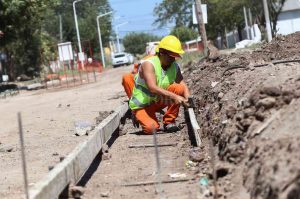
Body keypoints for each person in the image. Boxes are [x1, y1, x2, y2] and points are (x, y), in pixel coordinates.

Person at [128, 35, 190, 134]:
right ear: (161, 53)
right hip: (142, 104)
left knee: (179, 88)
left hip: (157, 101)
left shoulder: (174, 66)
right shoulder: (148, 64)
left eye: (175, 57)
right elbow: (152, 88)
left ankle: (169, 122)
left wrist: (188, 99)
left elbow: (182, 84)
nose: (173, 59)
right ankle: (136, 113)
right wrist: (175, 97)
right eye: (171, 57)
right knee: (151, 128)